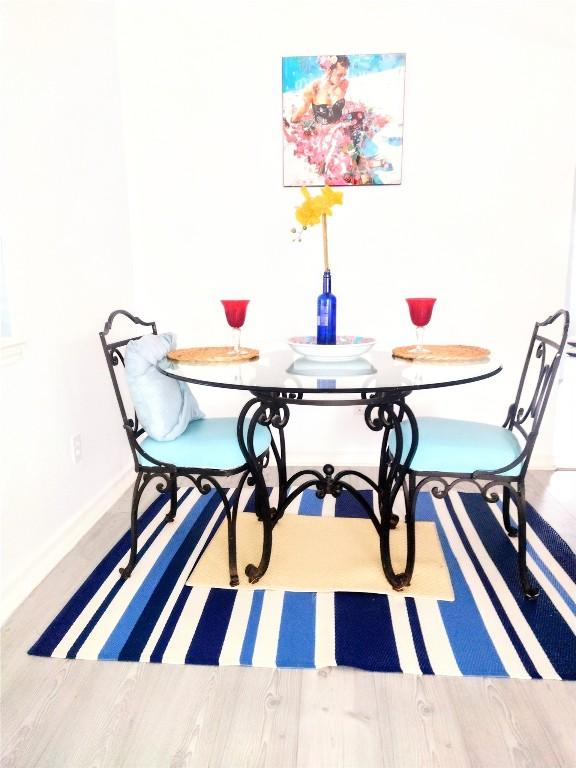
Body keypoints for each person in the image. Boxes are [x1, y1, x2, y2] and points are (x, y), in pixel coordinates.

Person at [283, 55, 392, 186]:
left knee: (357, 118)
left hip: (339, 123)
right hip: (323, 128)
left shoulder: (343, 84)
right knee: (341, 136)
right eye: (340, 74)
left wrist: (336, 88)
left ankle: (359, 160)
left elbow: (337, 105)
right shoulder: (314, 88)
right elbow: (303, 109)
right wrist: (293, 121)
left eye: (344, 74)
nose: (342, 78)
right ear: (329, 70)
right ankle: (361, 165)